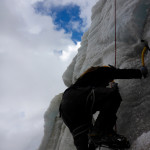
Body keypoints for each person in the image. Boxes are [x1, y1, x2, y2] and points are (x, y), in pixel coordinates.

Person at [59, 65, 148, 150]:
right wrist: (139, 72)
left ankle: (101, 134)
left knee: (86, 140)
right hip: (76, 98)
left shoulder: (85, 80)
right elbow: (119, 73)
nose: (107, 83)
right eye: (109, 80)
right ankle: (102, 132)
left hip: (66, 110)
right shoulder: (100, 70)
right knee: (113, 95)